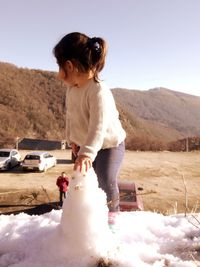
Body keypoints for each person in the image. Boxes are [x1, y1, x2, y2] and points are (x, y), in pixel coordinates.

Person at [53, 32, 126, 212]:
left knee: (105, 179)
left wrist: (86, 153)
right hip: (87, 145)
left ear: (69, 66)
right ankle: (89, 217)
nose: (58, 74)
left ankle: (112, 217)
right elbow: (72, 117)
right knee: (84, 180)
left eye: (59, 66)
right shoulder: (72, 89)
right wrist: (73, 139)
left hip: (110, 145)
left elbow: (98, 128)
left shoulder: (98, 92)